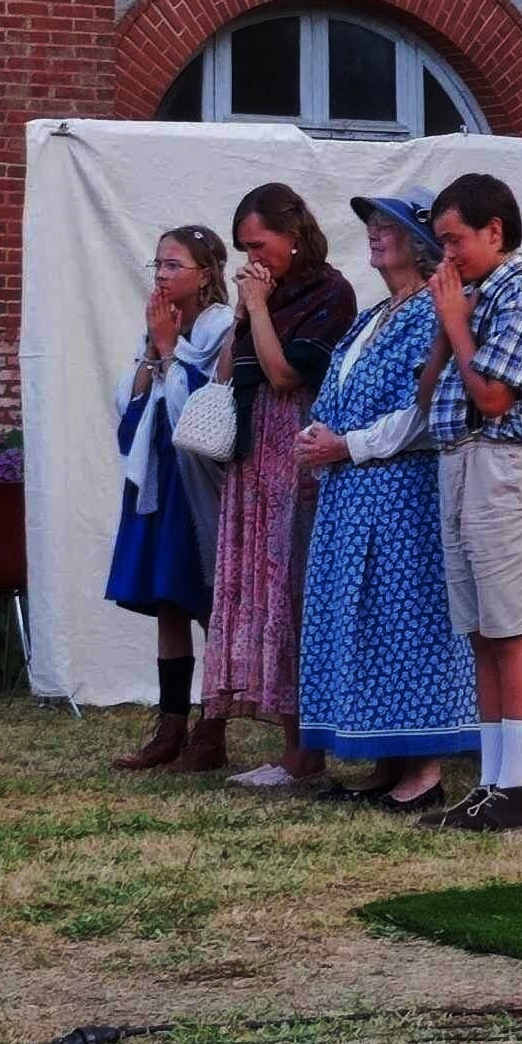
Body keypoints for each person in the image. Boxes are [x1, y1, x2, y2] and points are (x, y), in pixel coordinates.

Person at [295, 191, 476, 812]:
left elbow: (425, 412)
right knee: (364, 619)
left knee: (405, 617)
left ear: (420, 242)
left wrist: (348, 445)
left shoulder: (433, 310)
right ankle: (382, 756)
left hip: (400, 494)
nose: (375, 233)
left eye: (388, 226)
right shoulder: (376, 313)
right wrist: (320, 434)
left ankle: (422, 769)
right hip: (352, 492)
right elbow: (340, 385)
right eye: (371, 224)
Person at [175, 184, 357, 781]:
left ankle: (306, 755)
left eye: (260, 243)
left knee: (293, 591)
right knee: (265, 589)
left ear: (293, 235)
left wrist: (257, 308)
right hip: (253, 455)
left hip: (294, 450)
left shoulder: (329, 292)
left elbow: (284, 377)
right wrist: (245, 315)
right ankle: (291, 748)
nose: (253, 257)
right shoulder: (265, 295)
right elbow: (230, 373)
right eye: (244, 248)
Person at [416, 173, 522, 832]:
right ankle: (491, 781)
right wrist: (449, 325)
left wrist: (455, 319)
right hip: (463, 462)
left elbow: (495, 398)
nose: (446, 256)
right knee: (482, 629)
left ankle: (519, 788)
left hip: (507, 465)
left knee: (514, 627)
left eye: (455, 241)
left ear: (495, 232)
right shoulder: (473, 297)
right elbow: (428, 396)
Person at [107, 226, 233, 770]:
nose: (161, 275)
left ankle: (214, 726)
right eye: (157, 264)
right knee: (167, 599)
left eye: (173, 265)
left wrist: (167, 351)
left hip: (195, 475)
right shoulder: (165, 324)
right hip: (156, 468)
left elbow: (202, 407)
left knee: (206, 598)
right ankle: (171, 724)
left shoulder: (222, 326)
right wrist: (155, 351)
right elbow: (131, 400)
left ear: (204, 274)